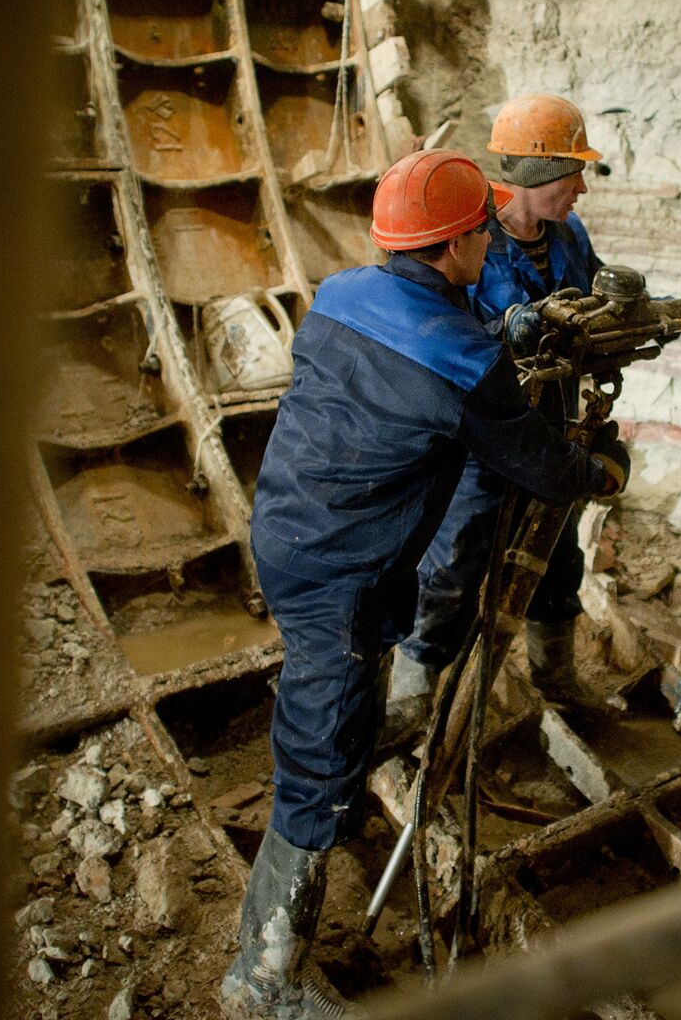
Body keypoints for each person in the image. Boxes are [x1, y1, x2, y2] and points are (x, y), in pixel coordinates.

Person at [221, 149, 628, 1019]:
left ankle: (341, 780)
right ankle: (261, 981)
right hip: (341, 575)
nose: (489, 240)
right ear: (453, 247)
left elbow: (415, 379)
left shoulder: (339, 298)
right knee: (320, 761)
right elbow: (532, 460)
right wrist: (599, 474)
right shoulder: (457, 358)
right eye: (480, 229)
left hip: (289, 531)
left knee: (345, 702)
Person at [384, 94, 614, 738]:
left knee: (558, 555)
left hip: (550, 429)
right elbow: (431, 331)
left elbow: (596, 307)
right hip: (480, 439)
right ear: (538, 177)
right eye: (574, 172)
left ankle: (555, 677)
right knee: (455, 562)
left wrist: (678, 313)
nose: (581, 189)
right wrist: (502, 329)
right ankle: (413, 694)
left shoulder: (570, 238)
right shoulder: (468, 235)